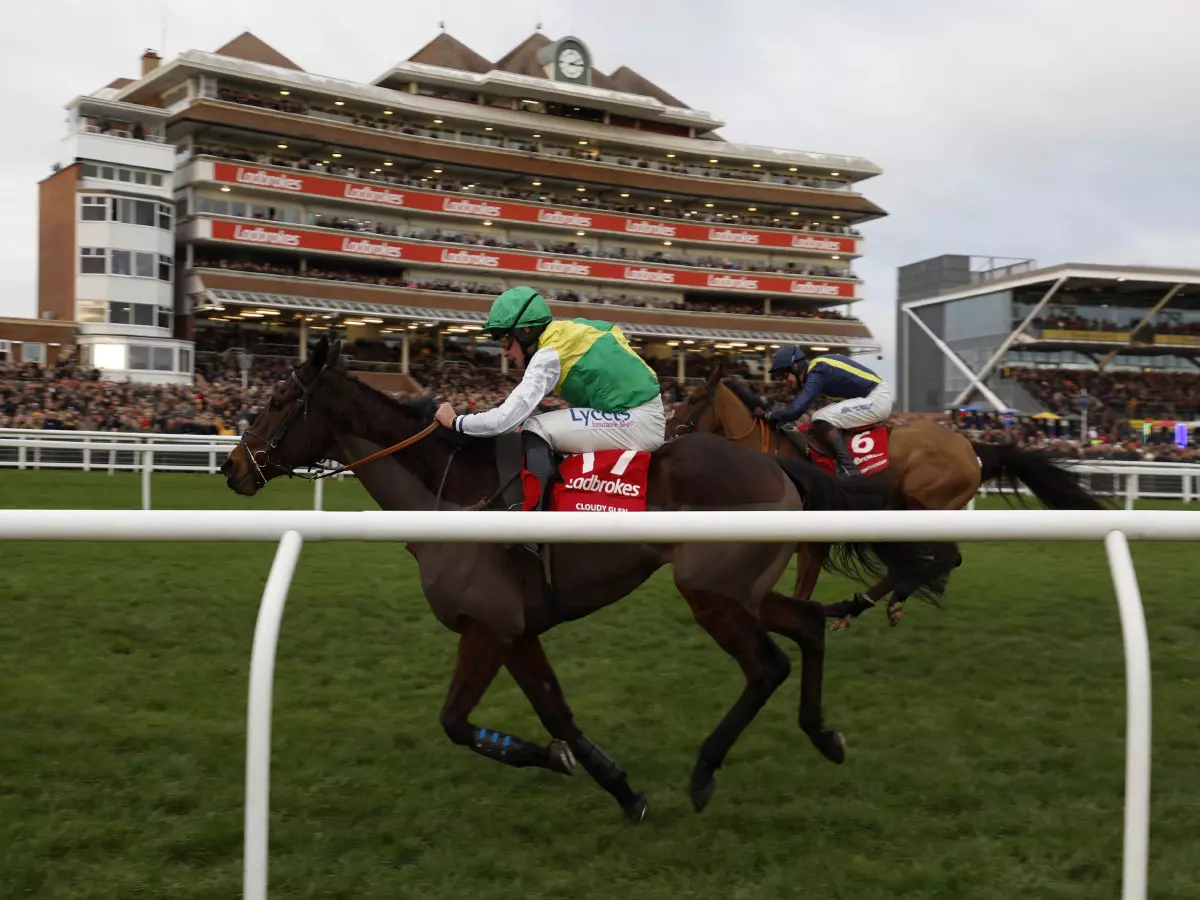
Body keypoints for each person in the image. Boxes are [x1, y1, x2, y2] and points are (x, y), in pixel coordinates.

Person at [434, 285, 665, 523]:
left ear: (525, 332)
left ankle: (536, 522)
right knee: (554, 425)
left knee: (536, 427)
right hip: (637, 413)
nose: (504, 353)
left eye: (505, 340)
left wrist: (456, 421)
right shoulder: (568, 332)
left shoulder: (548, 354)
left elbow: (503, 421)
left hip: (636, 420)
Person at [763, 346, 893, 477]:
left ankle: (849, 468)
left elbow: (796, 410)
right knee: (818, 418)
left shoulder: (817, 370)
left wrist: (770, 415)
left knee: (821, 416)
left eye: (784, 375)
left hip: (877, 399)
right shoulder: (816, 372)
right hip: (870, 398)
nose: (784, 381)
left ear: (795, 367)